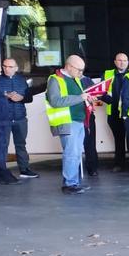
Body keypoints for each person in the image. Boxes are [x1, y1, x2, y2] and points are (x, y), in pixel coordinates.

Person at [45, 55, 92, 194]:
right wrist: (80, 98)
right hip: (67, 122)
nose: (81, 73)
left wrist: (87, 99)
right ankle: (69, 184)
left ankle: (73, 182)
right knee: (71, 154)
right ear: (69, 66)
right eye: (79, 70)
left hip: (78, 121)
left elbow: (79, 98)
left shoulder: (75, 79)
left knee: (76, 153)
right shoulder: (55, 80)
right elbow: (55, 101)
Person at [0, 58, 37, 179]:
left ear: (16, 68)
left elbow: (29, 98)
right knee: (2, 145)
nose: (6, 69)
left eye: (10, 67)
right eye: (4, 66)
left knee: (21, 144)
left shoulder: (22, 80)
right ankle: (1, 171)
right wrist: (5, 96)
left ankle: (24, 169)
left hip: (20, 117)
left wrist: (21, 98)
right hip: (4, 119)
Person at [104, 52, 129, 171]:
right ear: (115, 62)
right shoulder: (107, 74)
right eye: (119, 60)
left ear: (128, 62)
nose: (122, 63)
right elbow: (101, 91)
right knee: (119, 140)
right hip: (114, 112)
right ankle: (119, 164)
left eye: (124, 60)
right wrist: (108, 100)